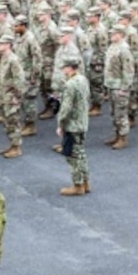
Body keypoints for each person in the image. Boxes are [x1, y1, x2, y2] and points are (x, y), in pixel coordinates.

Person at [56, 60, 90, 197]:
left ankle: (78, 185)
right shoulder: (82, 79)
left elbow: (66, 108)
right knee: (81, 154)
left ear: (69, 68)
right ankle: (86, 182)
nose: (63, 70)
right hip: (82, 122)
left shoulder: (70, 84)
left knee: (72, 156)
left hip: (72, 125)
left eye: (64, 67)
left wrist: (60, 124)